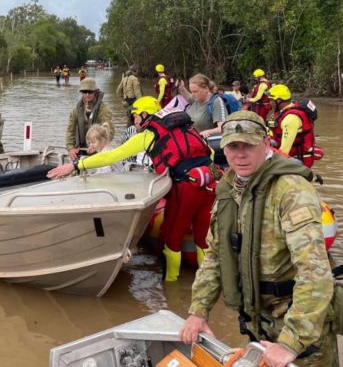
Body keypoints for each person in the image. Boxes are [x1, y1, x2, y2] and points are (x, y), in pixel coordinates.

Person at [179, 110, 338, 367]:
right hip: (257, 323)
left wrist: (291, 341)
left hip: (300, 327)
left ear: (265, 143)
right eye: (232, 146)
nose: (240, 154)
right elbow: (216, 255)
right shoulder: (230, 189)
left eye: (248, 146)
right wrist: (199, 310)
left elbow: (315, 271)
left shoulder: (291, 190)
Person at [48, 97, 215, 281]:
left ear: (144, 114)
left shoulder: (148, 135)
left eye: (136, 116)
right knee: (202, 240)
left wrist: (76, 165)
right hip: (208, 184)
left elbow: (110, 157)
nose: (134, 121)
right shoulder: (187, 127)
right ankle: (208, 282)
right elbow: (210, 153)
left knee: (172, 242)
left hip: (185, 189)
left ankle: (170, 290)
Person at [266, 84, 318, 168]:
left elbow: (284, 151)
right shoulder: (283, 111)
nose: (269, 103)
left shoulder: (290, 119)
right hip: (291, 156)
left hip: (298, 160)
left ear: (278, 100)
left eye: (271, 100)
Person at [65, 77, 115, 161]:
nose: (87, 94)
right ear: (81, 92)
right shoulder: (76, 110)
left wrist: (97, 146)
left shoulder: (104, 109)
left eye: (90, 92)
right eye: (84, 92)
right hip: (80, 150)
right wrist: (70, 148)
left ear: (95, 92)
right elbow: (70, 130)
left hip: (98, 150)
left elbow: (110, 131)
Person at [185, 74, 226, 138]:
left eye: (195, 92)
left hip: (205, 143)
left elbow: (223, 128)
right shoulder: (196, 100)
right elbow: (188, 97)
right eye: (191, 92)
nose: (192, 95)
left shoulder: (216, 102)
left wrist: (208, 132)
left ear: (206, 89)